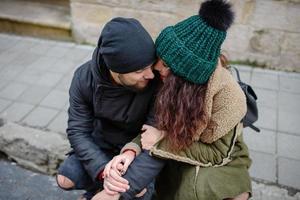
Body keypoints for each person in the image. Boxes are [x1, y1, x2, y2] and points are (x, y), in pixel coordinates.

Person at [92, 0, 252, 200]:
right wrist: (131, 151)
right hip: (177, 148)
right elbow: (154, 127)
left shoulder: (229, 100)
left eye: (166, 64)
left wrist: (161, 140)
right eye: (160, 57)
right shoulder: (168, 80)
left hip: (219, 159)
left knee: (197, 190)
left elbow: (217, 154)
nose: (156, 68)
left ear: (185, 79)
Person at [56, 17, 162, 200]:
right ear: (115, 70)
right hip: (102, 144)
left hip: (137, 151)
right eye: (139, 71)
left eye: (149, 65)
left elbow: (157, 140)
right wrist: (103, 171)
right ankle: (96, 188)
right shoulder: (84, 78)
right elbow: (77, 130)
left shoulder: (157, 82)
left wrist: (115, 190)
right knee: (64, 178)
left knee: (138, 192)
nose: (150, 74)